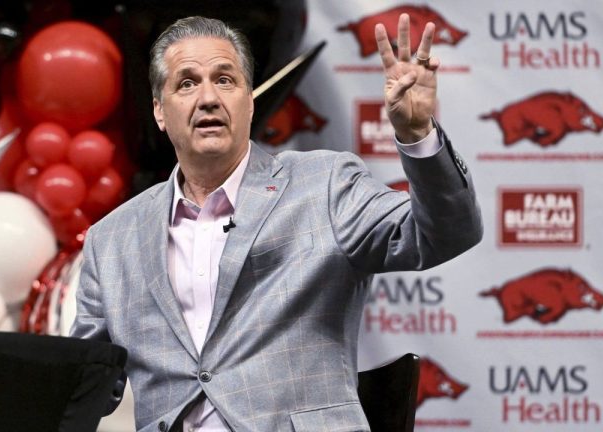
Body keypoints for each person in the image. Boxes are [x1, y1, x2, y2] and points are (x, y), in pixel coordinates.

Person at [71, 14, 482, 432]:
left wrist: (418, 135)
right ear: (160, 110)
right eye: (187, 83)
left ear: (250, 100)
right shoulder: (112, 239)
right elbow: (82, 383)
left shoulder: (324, 186)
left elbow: (446, 233)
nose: (208, 98)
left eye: (225, 80)